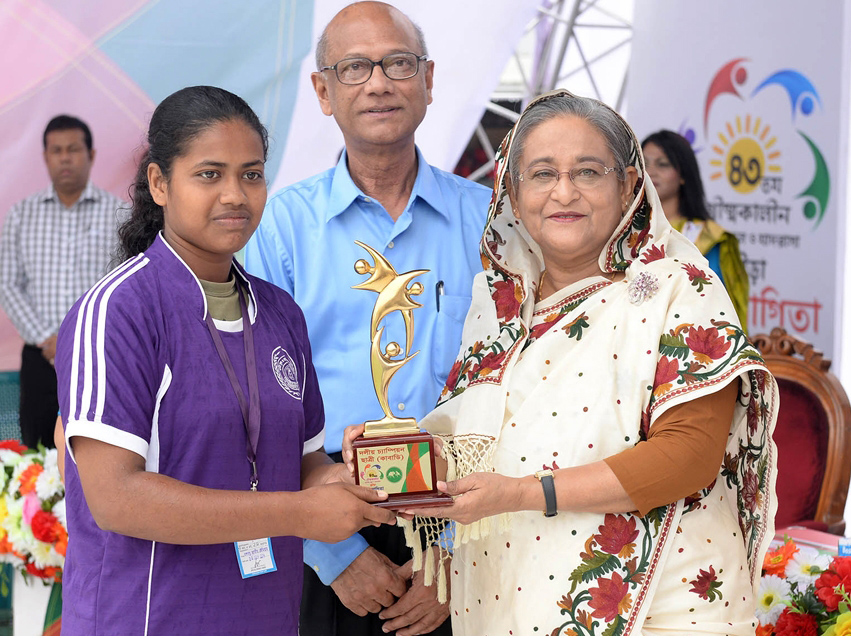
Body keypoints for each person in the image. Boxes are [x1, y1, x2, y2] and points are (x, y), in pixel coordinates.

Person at [353, 91, 778, 635]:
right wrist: (394, 457)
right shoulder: (497, 307)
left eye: (588, 172)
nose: (563, 192)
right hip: (509, 593)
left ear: (628, 184)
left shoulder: (677, 289)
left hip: (658, 606)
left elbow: (689, 456)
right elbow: (481, 447)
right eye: (542, 174)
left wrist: (526, 494)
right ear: (512, 191)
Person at [54, 86, 396, 635]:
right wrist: (298, 513)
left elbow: (302, 466)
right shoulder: (119, 310)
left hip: (266, 616)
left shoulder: (280, 313)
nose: (235, 195)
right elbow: (115, 498)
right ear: (159, 184)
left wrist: (353, 476)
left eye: (251, 174)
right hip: (149, 618)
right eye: (209, 174)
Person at [244, 3, 490, 635]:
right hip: (326, 514)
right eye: (354, 68)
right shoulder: (279, 229)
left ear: (428, 80)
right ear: (323, 92)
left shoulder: (492, 222)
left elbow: (521, 387)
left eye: (398, 63)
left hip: (469, 515)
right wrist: (333, 555)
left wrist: (457, 559)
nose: (379, 83)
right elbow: (256, 402)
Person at [0, 115, 124, 449]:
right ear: (45, 157)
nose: (65, 158)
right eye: (56, 151)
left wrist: (81, 340)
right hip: (41, 357)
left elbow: (125, 288)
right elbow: (7, 284)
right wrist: (48, 340)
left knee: (100, 448)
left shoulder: (120, 215)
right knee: (38, 450)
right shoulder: (22, 214)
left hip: (100, 355)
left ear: (91, 155)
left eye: (73, 149)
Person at [642, 130, 749, 329]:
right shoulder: (628, 231)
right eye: (645, 164)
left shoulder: (708, 237)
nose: (651, 171)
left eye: (663, 164)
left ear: (683, 175)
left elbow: (717, 302)